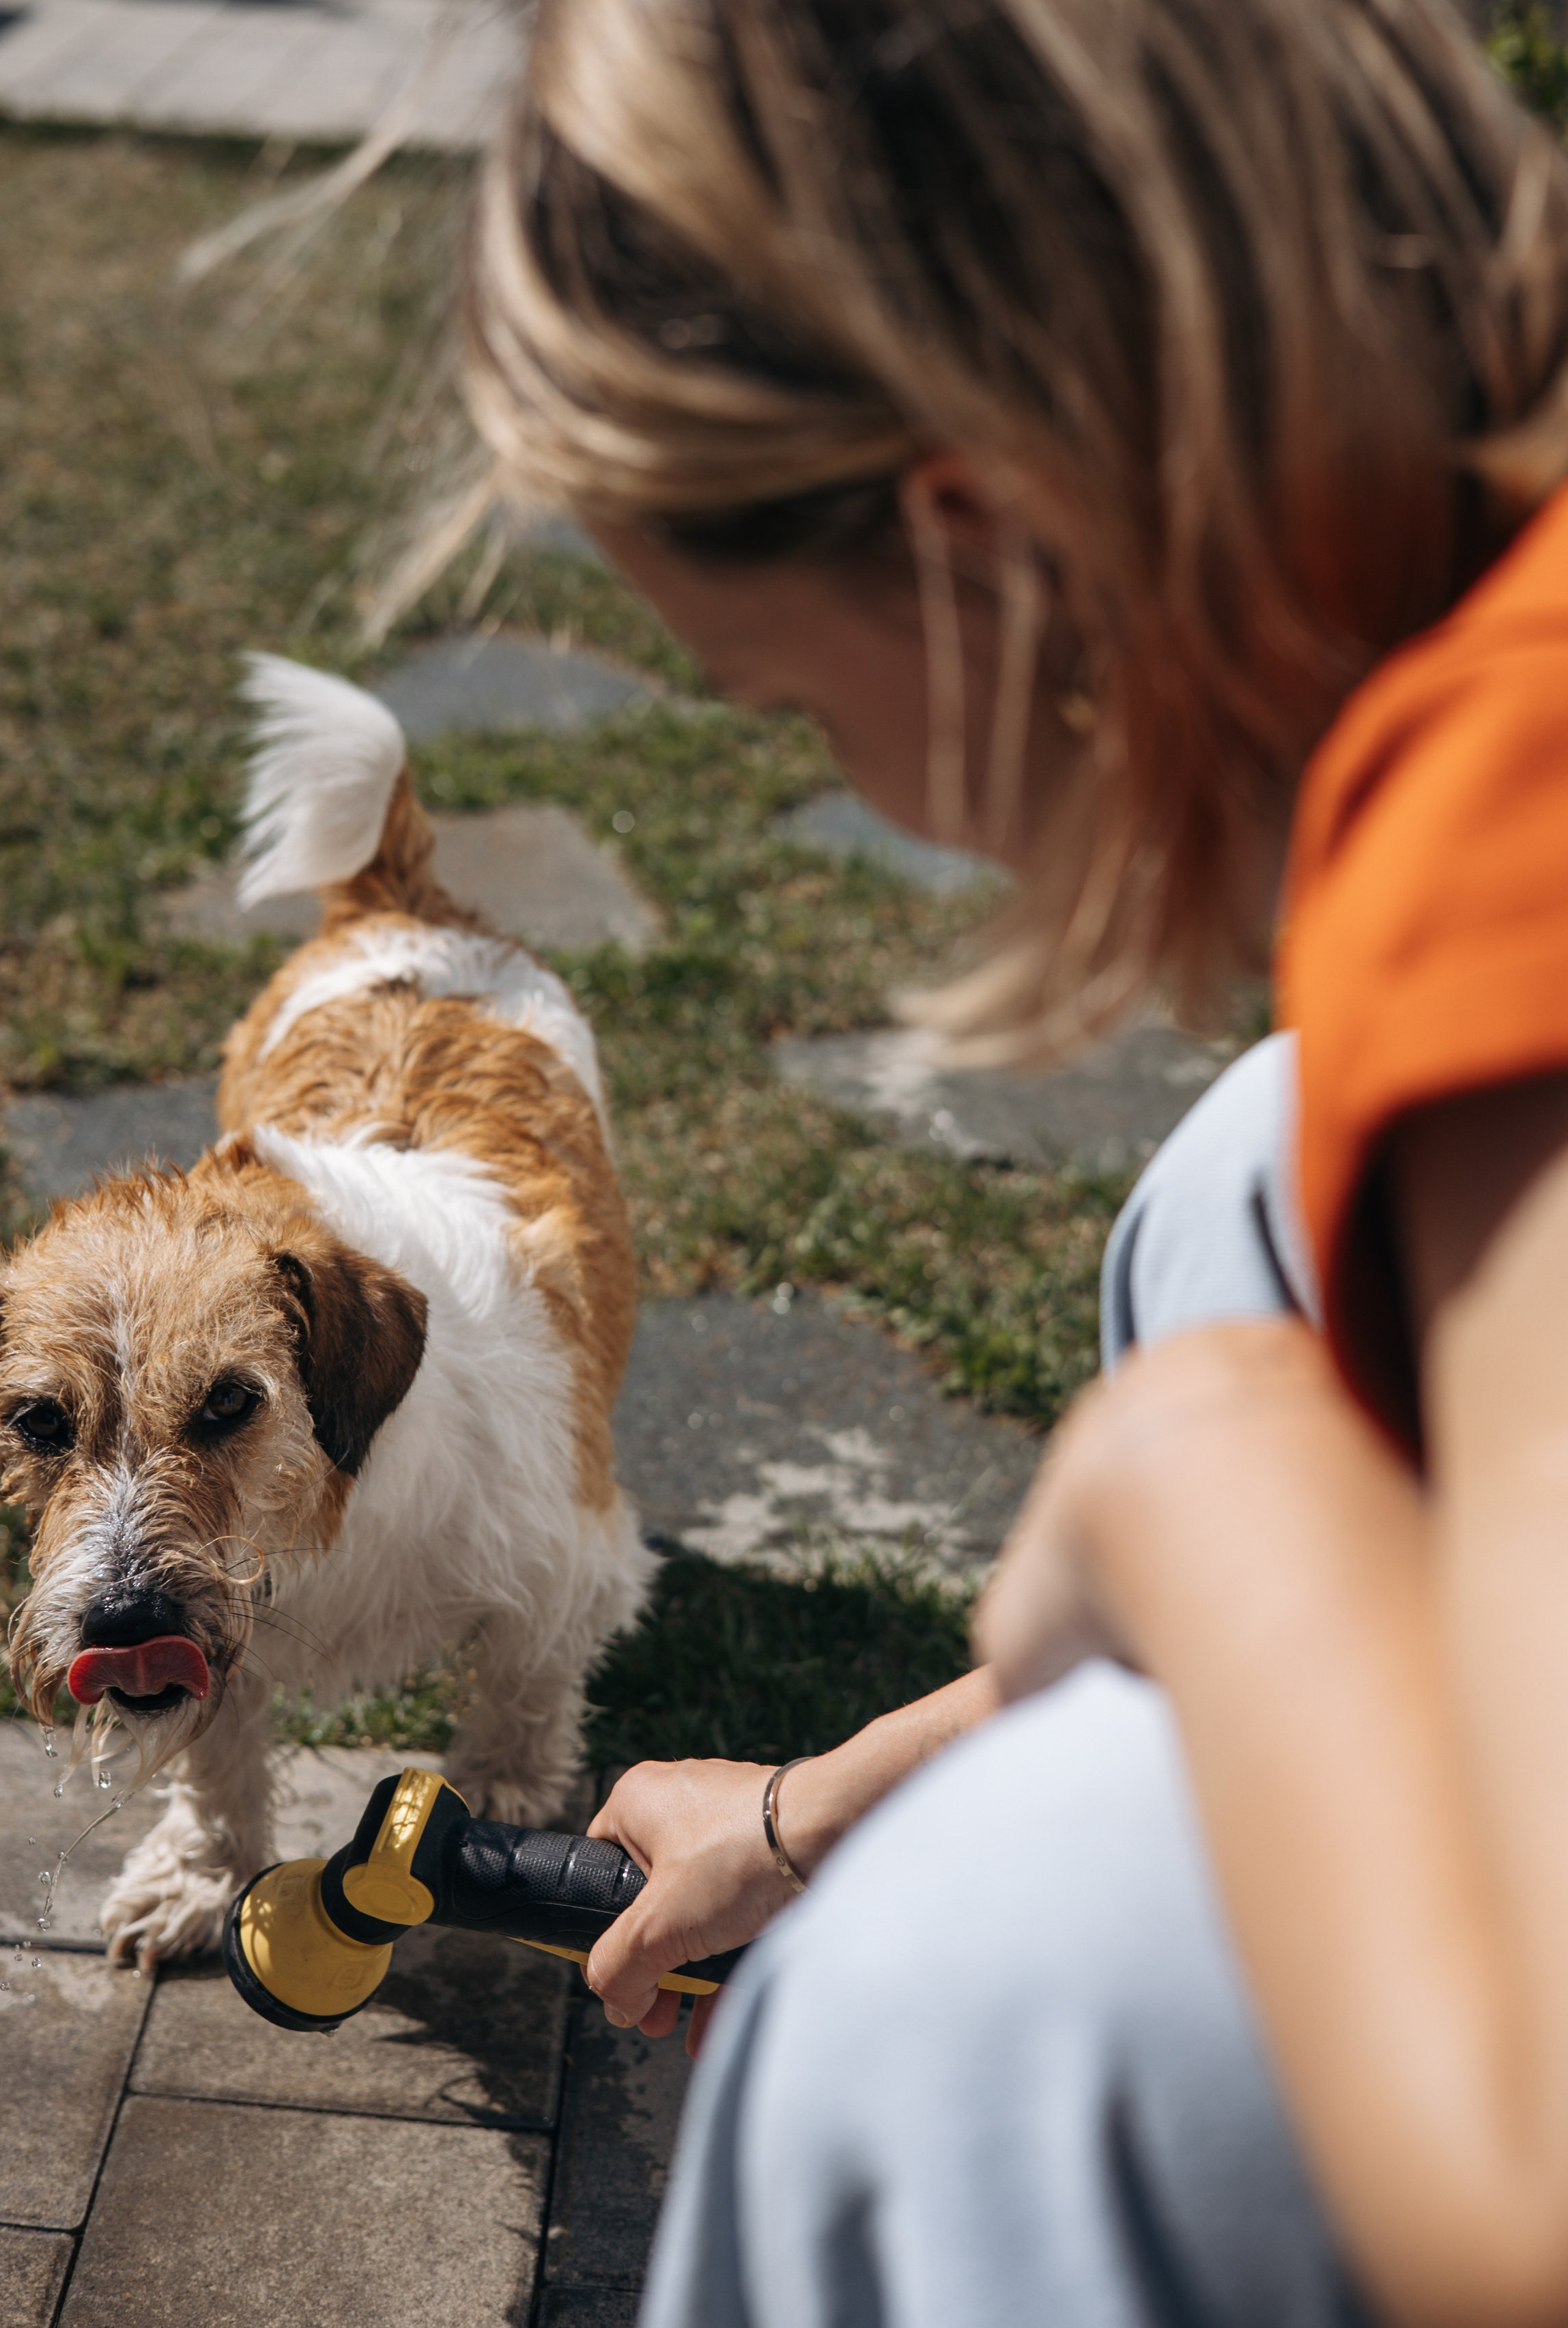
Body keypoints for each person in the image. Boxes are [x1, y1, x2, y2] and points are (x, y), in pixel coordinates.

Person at [457, 1, 1568, 2319]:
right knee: (1243, 1201)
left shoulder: (1520, 803)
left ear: (994, 558)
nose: (853, 775)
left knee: (995, 1994)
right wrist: (821, 1811)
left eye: (793, 703)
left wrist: (1201, 1479)